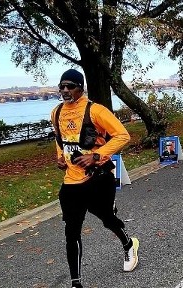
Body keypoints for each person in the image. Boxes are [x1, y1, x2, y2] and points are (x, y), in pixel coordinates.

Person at [51, 69, 137, 288]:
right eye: (62, 86)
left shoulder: (96, 111)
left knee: (108, 219)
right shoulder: (56, 112)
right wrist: (60, 158)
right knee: (72, 232)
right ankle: (76, 283)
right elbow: (60, 140)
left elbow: (122, 135)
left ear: (81, 87)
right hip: (71, 183)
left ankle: (129, 245)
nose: (65, 90)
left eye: (70, 86)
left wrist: (97, 155)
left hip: (98, 178)